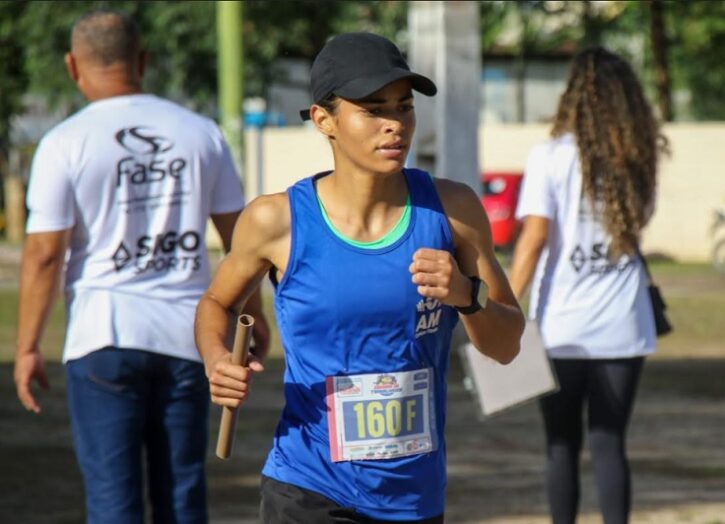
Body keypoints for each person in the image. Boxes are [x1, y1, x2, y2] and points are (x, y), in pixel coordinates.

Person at [194, 32, 525, 523]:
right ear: (324, 120)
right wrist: (217, 359)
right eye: (373, 110)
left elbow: (508, 348)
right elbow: (215, 305)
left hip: (412, 497)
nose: (395, 125)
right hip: (307, 488)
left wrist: (466, 295)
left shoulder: (452, 211)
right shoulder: (276, 221)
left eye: (404, 107)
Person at [13, 10, 268, 524]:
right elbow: (242, 242)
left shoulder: (64, 142)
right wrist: (254, 316)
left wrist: (26, 347)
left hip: (103, 337)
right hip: (187, 338)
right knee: (183, 498)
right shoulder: (201, 134)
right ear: (144, 61)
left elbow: (44, 255)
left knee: (113, 503)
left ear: (71, 65)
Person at [508, 47, 666, 524]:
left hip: (562, 327)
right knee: (609, 442)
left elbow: (534, 239)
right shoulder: (640, 157)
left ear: (574, 95)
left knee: (560, 445)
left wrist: (503, 302)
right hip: (624, 323)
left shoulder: (551, 156)